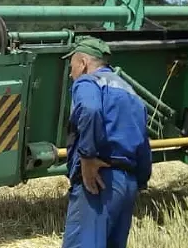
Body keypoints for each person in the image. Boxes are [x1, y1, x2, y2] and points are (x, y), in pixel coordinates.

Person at [61, 36, 152, 248]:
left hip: (100, 180)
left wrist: (88, 157)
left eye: (71, 65)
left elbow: (90, 110)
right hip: (127, 185)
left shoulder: (88, 82)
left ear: (83, 63)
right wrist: (138, 180)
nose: (70, 73)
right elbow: (142, 140)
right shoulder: (130, 92)